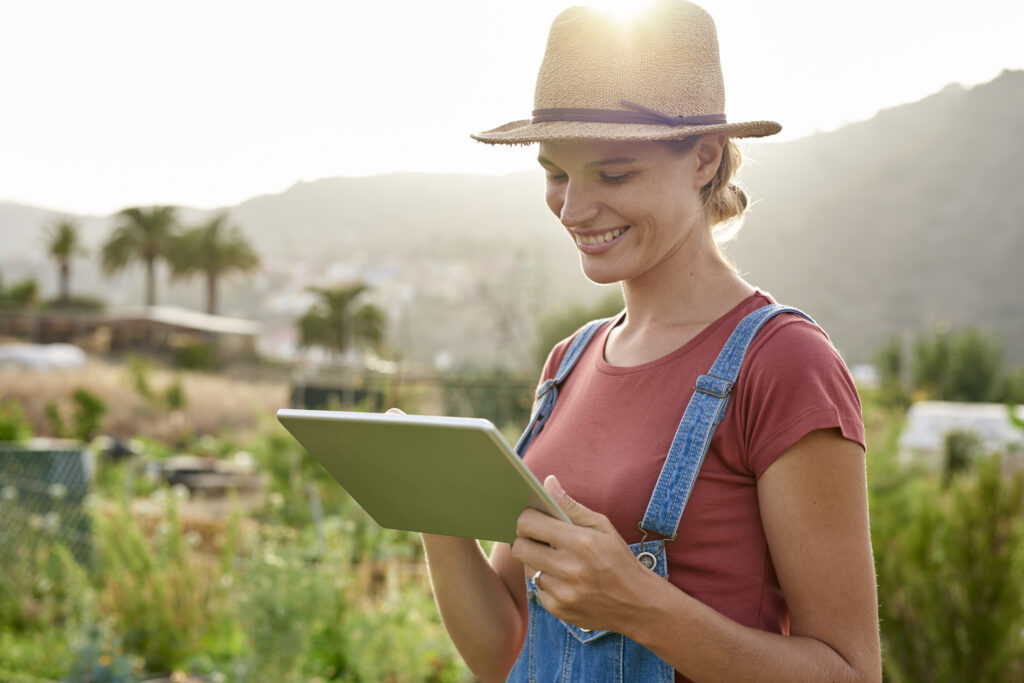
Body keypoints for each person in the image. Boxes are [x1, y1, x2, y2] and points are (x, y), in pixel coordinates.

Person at [418, 1, 881, 680]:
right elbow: (504, 648)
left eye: (612, 173)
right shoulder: (568, 363)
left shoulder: (782, 363)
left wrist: (641, 605)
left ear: (704, 157)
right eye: (556, 173)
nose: (574, 209)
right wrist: (434, 509)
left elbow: (849, 671)